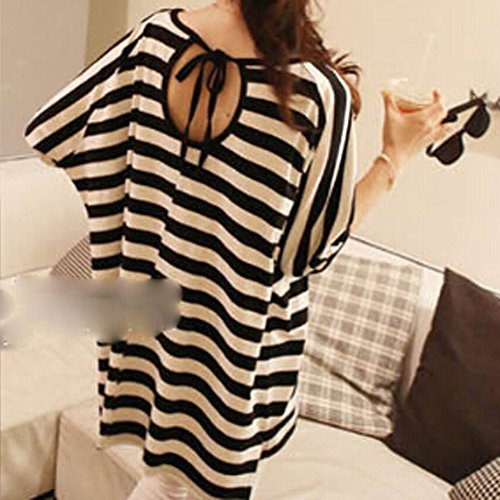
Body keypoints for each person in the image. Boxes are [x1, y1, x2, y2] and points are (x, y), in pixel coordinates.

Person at [24, 1, 451, 498]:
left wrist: (147, 199)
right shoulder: (316, 95)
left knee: (163, 480)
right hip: (231, 363)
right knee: (174, 484)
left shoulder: (153, 39)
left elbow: (53, 131)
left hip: (145, 339)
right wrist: (394, 156)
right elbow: (309, 253)